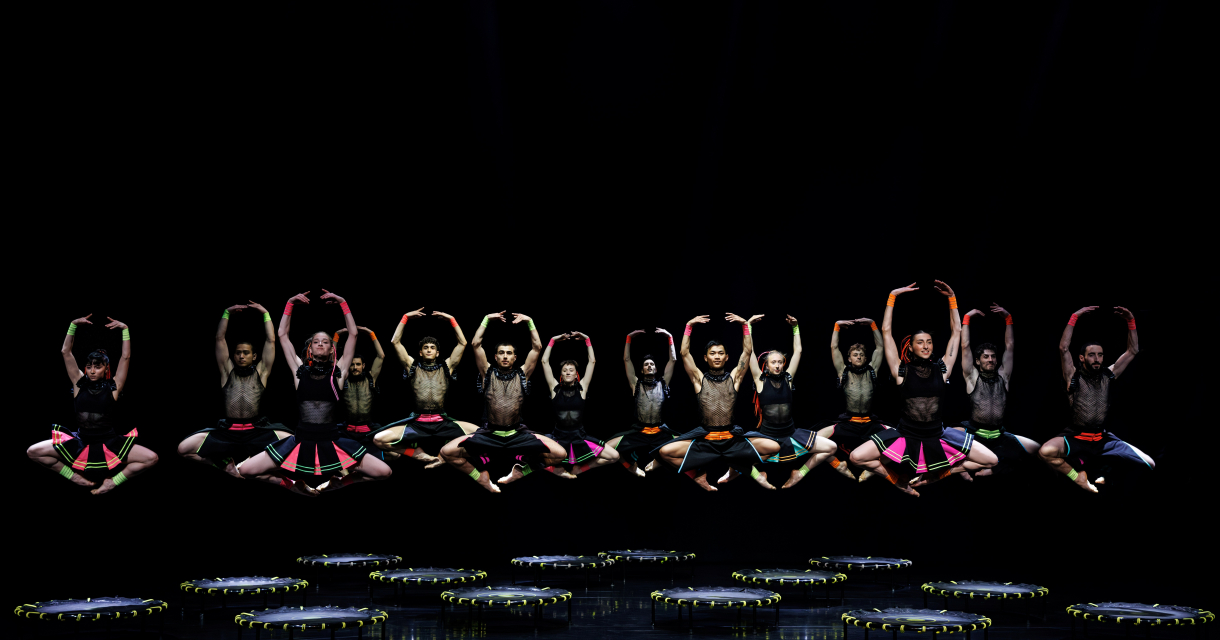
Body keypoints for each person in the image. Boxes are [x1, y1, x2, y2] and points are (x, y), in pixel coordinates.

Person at [848, 282, 997, 497]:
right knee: (856, 457)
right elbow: (886, 332)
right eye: (920, 342)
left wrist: (952, 299)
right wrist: (892, 297)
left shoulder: (942, 369)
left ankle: (937, 476)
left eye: (929, 342)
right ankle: (898, 481)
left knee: (991, 460)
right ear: (911, 346)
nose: (926, 346)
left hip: (936, 434)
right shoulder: (901, 370)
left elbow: (956, 333)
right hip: (906, 433)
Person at [239, 291, 391, 495]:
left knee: (384, 471)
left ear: (332, 349)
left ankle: (339, 483)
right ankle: (293, 485)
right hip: (301, 440)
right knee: (246, 470)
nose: (320, 343)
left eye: (325, 341)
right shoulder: (299, 371)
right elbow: (282, 335)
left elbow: (353, 334)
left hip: (333, 440)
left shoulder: (339, 372)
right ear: (310, 349)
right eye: (316, 341)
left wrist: (343, 302)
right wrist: (289, 303)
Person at [437, 311, 567, 493]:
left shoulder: (523, 374)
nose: (505, 356)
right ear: (496, 357)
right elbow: (475, 344)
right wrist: (486, 319)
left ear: (515, 357)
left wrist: (530, 321)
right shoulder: (487, 373)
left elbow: (537, 347)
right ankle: (481, 477)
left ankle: (521, 472)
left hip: (516, 433)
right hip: (490, 433)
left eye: (509, 353)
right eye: (501, 353)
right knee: (447, 452)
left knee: (560, 454)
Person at [29, 315, 158, 494]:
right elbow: (66, 352)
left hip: (108, 442)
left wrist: (125, 330)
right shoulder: (79, 383)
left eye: (97, 367)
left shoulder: (114, 387)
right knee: (33, 451)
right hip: (81, 441)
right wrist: (73, 325)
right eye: (89, 366)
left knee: (151, 458)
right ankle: (76, 478)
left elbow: (126, 357)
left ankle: (111, 483)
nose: (92, 370)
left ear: (106, 368)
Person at [655, 313, 779, 491]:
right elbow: (684, 353)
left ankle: (737, 469)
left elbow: (747, 352)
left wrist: (745, 326)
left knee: (774, 447)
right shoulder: (699, 380)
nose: (717, 356)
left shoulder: (734, 378)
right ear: (705, 358)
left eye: (721, 353)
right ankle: (698, 476)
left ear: (727, 357)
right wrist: (689, 326)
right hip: (707, 440)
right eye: (712, 353)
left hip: (731, 439)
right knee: (665, 452)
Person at [1037, 306, 1154, 493]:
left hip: (1101, 438)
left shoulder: (1108, 375)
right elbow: (1063, 348)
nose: (1097, 359)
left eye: (1100, 355)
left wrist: (1131, 320)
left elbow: (1133, 351)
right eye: (1092, 355)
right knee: (1045, 452)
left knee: (1149, 463)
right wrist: (1074, 317)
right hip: (1077, 436)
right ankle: (1078, 478)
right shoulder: (1073, 377)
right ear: (1082, 358)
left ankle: (1106, 475)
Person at [178, 301, 290, 478]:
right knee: (183, 449)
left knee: (295, 445)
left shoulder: (261, 372)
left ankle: (259, 468)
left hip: (256, 430)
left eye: (246, 353)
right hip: (228, 430)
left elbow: (271, 340)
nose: (241, 356)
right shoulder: (227, 371)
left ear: (254, 356)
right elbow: (219, 338)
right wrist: (226, 313)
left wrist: (265, 313)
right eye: (238, 353)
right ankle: (224, 466)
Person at [733, 315, 838, 489]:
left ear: (783, 364)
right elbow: (749, 352)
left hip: (791, 435)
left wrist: (795, 327)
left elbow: (798, 351)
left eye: (780, 362)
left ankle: (799, 473)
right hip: (767, 437)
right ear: (767, 365)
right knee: (734, 454)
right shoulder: (760, 380)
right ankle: (759, 475)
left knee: (831, 447)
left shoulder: (788, 379)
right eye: (773, 362)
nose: (777, 365)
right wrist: (748, 327)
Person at [375, 309, 480, 466]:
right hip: (418, 422)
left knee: (481, 436)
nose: (429, 349)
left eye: (432, 347)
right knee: (378, 439)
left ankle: (444, 456)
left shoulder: (447, 367)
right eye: (426, 347)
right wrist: (405, 317)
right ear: (420, 352)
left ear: (437, 353)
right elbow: (395, 342)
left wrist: (452, 319)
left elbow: (462, 343)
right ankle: (417, 455)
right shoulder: (412, 366)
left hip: (442, 421)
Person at [953, 304, 1038, 478]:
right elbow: (965, 346)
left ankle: (992, 468)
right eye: (986, 357)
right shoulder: (972, 377)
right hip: (975, 433)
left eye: (993, 356)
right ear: (978, 361)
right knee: (946, 435)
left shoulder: (1003, 376)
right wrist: (966, 319)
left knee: (1037, 449)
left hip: (999, 434)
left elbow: (1010, 345)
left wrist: (1008, 319)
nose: (990, 360)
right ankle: (962, 466)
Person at [814, 317, 891, 482]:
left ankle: (874, 468)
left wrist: (872, 324)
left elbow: (880, 347)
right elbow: (834, 347)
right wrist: (836, 326)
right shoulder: (843, 372)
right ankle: (838, 465)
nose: (859, 357)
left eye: (861, 355)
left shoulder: (872, 370)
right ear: (849, 358)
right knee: (813, 440)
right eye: (855, 355)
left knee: (901, 438)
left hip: (870, 422)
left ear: (865, 358)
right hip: (849, 422)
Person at [539, 331, 619, 475]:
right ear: (561, 374)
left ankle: (579, 469)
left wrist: (587, 339)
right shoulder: (554, 389)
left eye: (571, 370)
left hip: (579, 437)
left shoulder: (582, 388)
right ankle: (556, 470)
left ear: (576, 375)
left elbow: (592, 361)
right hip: (558, 437)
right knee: (531, 453)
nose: (568, 372)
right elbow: (544, 361)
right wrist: (553, 340)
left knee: (614, 456)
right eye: (565, 370)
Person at [608, 328, 679, 476]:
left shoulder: (663, 383)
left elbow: (673, 360)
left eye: (652, 364)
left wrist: (670, 337)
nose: (649, 366)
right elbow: (626, 360)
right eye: (646, 364)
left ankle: (658, 461)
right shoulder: (636, 384)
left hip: (660, 431)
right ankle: (630, 466)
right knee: (607, 448)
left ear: (656, 369)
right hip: (640, 431)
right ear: (642, 370)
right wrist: (628, 338)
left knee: (687, 446)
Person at [333, 325, 387, 459]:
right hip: (347, 430)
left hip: (368, 429)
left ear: (363, 366)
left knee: (390, 454)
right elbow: (331, 360)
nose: (355, 367)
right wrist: (336, 336)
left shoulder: (371, 378)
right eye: (352, 364)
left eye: (358, 364)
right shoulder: (342, 379)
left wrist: (371, 333)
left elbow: (381, 356)